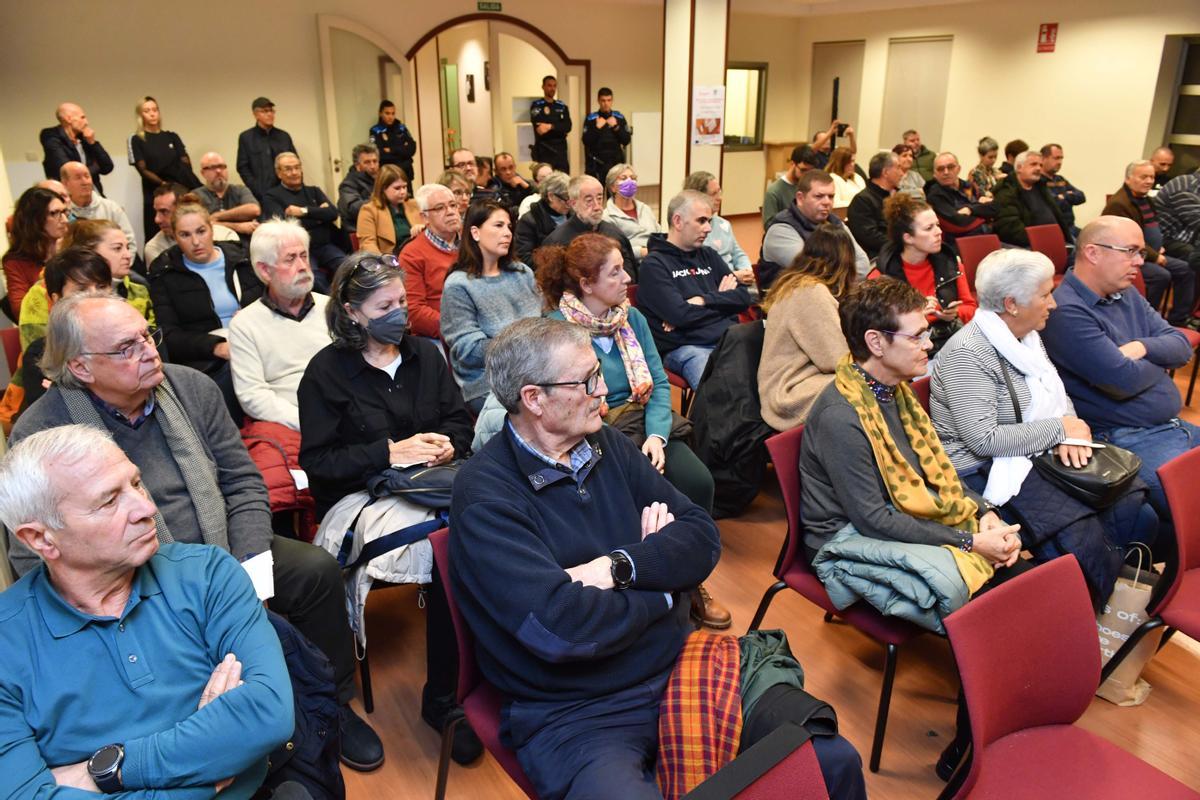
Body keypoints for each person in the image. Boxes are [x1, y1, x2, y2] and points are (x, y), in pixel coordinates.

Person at [451, 316, 866, 800]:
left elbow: (700, 537)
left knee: (829, 761)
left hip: (679, 660)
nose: (604, 389)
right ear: (534, 399)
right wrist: (667, 588)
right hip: (575, 708)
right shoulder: (486, 496)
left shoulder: (604, 445)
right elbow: (561, 629)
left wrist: (621, 568)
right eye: (587, 380)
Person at [11, 292, 383, 771]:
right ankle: (192, 736)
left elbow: (242, 480)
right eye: (127, 348)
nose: (149, 351)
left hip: (223, 543)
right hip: (124, 575)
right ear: (82, 368)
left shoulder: (189, 387)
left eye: (148, 335)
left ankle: (332, 703)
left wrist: (247, 568)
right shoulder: (41, 432)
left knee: (315, 570)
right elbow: (37, 559)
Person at [798, 277, 1027, 779]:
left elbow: (932, 474)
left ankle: (1005, 725)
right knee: (993, 608)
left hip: (883, 518)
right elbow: (873, 518)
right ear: (876, 343)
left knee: (1016, 579)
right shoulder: (843, 414)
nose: (930, 344)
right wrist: (972, 540)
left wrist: (980, 509)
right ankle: (968, 753)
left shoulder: (893, 392)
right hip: (845, 539)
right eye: (918, 336)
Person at [0, 424, 294, 800]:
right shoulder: (8, 643)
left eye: (135, 483)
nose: (147, 508)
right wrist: (202, 774)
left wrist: (107, 769)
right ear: (41, 539)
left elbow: (267, 715)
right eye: (109, 501)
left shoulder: (207, 573)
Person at [296, 252, 477, 764]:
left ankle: (493, 672)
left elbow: (458, 421)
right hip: (363, 493)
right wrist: (388, 453)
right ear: (353, 313)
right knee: (450, 548)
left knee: (493, 525)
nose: (401, 313)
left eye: (402, 300)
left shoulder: (424, 355)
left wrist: (448, 444)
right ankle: (443, 700)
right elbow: (320, 464)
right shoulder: (327, 372)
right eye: (385, 305)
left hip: (433, 481)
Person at [931, 248, 1158, 602]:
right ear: (1012, 304)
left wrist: (1071, 426)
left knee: (1133, 505)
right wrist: (1061, 430)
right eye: (1045, 294)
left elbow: (1056, 393)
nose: (1053, 303)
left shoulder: (1027, 337)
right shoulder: (968, 353)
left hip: (1034, 448)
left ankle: (1120, 591)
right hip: (982, 469)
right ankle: (1086, 613)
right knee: (1078, 537)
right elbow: (983, 438)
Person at [535, 232, 729, 628]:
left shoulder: (632, 318)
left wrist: (658, 437)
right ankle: (641, 581)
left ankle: (691, 581)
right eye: (616, 272)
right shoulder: (556, 329)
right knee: (629, 502)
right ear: (587, 284)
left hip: (645, 424)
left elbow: (657, 383)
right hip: (595, 431)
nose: (628, 279)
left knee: (697, 482)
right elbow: (566, 407)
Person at [1041, 216, 1199, 531]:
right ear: (1093, 253)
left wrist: (1140, 347)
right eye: (1130, 251)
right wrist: (1159, 358)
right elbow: (1120, 380)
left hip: (1172, 426)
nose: (1140, 261)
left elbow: (1182, 346)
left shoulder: (1124, 293)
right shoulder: (1067, 310)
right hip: (1127, 437)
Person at [148, 201, 262, 419]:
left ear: (212, 229)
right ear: (174, 237)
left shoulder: (243, 258)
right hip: (208, 356)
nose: (196, 242)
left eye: (201, 231)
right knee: (234, 375)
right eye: (185, 235)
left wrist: (254, 315)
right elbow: (169, 336)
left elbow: (270, 301)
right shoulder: (164, 273)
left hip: (253, 338)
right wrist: (217, 347)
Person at [636, 190, 752, 389]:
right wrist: (723, 300)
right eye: (701, 221)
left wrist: (703, 300)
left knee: (766, 376)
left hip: (727, 339)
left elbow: (742, 298)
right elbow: (680, 314)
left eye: (709, 221)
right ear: (678, 221)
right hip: (687, 348)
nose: (708, 228)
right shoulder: (654, 265)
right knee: (723, 392)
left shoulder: (708, 255)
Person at [440, 200, 543, 413]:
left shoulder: (522, 273)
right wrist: (521, 345)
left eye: (509, 227)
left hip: (537, 372)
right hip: (488, 382)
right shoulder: (459, 285)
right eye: (498, 226)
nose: (507, 233)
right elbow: (467, 351)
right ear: (475, 233)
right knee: (544, 412)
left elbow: (543, 323)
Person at [228, 219, 328, 430]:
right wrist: (310, 421)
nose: (302, 267)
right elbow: (252, 396)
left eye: (303, 256)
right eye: (290, 259)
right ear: (265, 271)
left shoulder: (331, 308)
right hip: (289, 422)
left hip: (347, 411)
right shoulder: (244, 324)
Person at [758, 223, 855, 431]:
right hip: (790, 393)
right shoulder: (810, 291)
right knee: (873, 385)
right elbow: (836, 358)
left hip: (792, 383)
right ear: (844, 262)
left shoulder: (796, 284)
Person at [877, 194, 976, 358]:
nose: (939, 232)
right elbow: (879, 329)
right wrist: (916, 316)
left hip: (951, 340)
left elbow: (971, 308)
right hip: (910, 352)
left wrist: (954, 313)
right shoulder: (882, 276)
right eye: (929, 228)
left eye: (937, 225)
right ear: (907, 238)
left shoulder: (951, 263)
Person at [16, 249, 114, 414]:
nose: (95, 296)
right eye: (81, 290)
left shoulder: (139, 338)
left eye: (102, 286)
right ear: (57, 300)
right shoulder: (41, 354)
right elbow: (48, 414)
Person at [1103, 160, 1195, 326]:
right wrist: (1155, 256)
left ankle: (1178, 321)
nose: (1149, 181)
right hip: (1129, 257)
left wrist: (1158, 247)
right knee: (1161, 276)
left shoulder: (1145, 199)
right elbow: (1126, 240)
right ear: (1128, 179)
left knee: (1186, 269)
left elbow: (1153, 226)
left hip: (1150, 252)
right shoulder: (1119, 204)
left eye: (1152, 177)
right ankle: (1144, 321)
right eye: (1143, 177)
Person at [761, 170, 870, 290]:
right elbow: (811, 273)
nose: (827, 202)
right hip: (788, 302)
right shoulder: (781, 230)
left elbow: (863, 263)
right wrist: (846, 276)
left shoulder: (835, 223)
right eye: (819, 196)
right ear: (800, 198)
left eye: (831, 196)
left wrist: (840, 279)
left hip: (833, 296)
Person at [262, 152, 347, 280]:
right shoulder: (272, 197)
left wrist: (303, 212)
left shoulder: (314, 191)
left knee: (347, 268)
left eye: (297, 167)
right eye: (288, 169)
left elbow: (333, 213)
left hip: (325, 245)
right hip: (299, 250)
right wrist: (319, 215)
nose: (294, 172)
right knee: (314, 278)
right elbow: (285, 227)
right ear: (279, 173)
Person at [127, 96, 200, 239]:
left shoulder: (171, 136)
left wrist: (178, 187)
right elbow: (143, 169)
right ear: (140, 115)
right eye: (147, 111)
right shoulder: (137, 139)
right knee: (158, 233)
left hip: (179, 190)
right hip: (155, 192)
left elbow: (185, 161)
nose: (152, 113)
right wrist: (164, 185)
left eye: (155, 110)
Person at [541, 175, 638, 278]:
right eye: (589, 201)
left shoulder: (615, 234)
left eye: (599, 198)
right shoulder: (557, 242)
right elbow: (552, 286)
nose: (597, 207)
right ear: (573, 204)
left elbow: (631, 276)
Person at [398, 183, 461, 341]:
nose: (451, 212)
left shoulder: (473, 243)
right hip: (437, 335)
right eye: (440, 208)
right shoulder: (411, 254)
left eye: (453, 205)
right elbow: (414, 311)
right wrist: (458, 327)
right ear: (424, 217)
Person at [3, 187, 68, 317]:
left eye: (65, 212)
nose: (65, 220)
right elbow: (20, 310)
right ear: (35, 219)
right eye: (55, 213)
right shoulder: (15, 261)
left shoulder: (73, 246)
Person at [144, 182, 240, 265]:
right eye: (184, 235)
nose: (157, 220)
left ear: (182, 209)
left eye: (164, 212)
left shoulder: (226, 237)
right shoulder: (154, 248)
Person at [683, 170, 754, 282]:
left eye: (719, 192)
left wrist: (747, 270)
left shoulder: (724, 224)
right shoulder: (690, 230)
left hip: (734, 280)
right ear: (698, 197)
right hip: (712, 283)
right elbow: (699, 270)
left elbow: (738, 253)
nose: (719, 198)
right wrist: (733, 276)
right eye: (713, 194)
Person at [992, 151, 1072, 248]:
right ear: (1019, 168)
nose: (1038, 168)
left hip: (1055, 242)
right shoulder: (1006, 193)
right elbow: (1010, 229)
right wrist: (1042, 241)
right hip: (1028, 247)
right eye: (1033, 164)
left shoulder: (1041, 188)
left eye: (1040, 165)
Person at [40, 102, 113, 195]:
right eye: (82, 117)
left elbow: (107, 167)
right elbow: (69, 171)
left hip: (94, 194)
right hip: (68, 197)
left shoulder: (85, 138)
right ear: (68, 119)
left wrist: (93, 143)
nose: (87, 122)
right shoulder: (51, 136)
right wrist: (95, 167)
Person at [61, 161, 136, 250]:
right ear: (65, 183)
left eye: (87, 176)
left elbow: (129, 242)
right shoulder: (63, 213)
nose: (85, 182)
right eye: (78, 178)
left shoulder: (111, 208)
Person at [925, 152, 996, 246]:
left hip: (986, 235)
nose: (946, 172)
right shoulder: (935, 195)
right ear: (935, 174)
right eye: (941, 169)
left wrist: (970, 209)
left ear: (958, 169)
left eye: (950, 167)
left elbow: (994, 208)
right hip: (960, 243)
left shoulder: (969, 186)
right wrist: (982, 209)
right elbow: (959, 222)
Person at [237, 97, 296, 202]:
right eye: (265, 111)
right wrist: (256, 188)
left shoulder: (284, 136)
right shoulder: (246, 137)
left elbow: (295, 162)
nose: (270, 114)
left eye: (271, 110)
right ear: (255, 115)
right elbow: (242, 167)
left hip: (287, 190)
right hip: (260, 193)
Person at [847, 150, 902, 259]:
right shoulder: (862, 200)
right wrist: (903, 244)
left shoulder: (896, 196)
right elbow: (870, 237)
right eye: (898, 168)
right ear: (886, 172)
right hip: (877, 258)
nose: (902, 173)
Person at [195, 151, 262, 240]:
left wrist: (217, 216)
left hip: (244, 244)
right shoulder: (196, 196)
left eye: (221, 167)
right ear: (202, 173)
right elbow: (200, 224)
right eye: (212, 167)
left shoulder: (240, 189)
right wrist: (238, 226)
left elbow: (254, 209)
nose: (218, 171)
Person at [601, 163, 660, 260]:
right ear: (613, 187)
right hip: (633, 263)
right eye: (623, 178)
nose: (630, 181)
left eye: (633, 178)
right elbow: (613, 250)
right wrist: (641, 252)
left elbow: (658, 232)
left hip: (656, 258)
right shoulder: (607, 217)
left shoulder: (645, 209)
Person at [358, 164, 420, 254]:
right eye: (397, 188)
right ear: (383, 188)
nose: (403, 192)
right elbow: (368, 244)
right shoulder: (369, 211)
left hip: (418, 256)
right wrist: (384, 263)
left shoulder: (415, 205)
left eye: (404, 187)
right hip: (390, 261)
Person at [514, 170, 571, 263]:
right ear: (551, 196)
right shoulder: (529, 221)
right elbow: (524, 258)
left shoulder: (573, 215)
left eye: (572, 199)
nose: (570, 205)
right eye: (566, 199)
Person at [1155, 166, 1200, 277]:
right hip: (1164, 239)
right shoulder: (1185, 187)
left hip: (1184, 237)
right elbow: (1197, 221)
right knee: (1196, 258)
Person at [763, 144, 821, 229]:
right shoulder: (774, 191)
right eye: (803, 170)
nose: (806, 175)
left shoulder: (809, 186)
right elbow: (769, 225)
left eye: (810, 172)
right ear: (792, 164)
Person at [582, 87, 631, 182]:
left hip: (615, 162)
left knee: (614, 193)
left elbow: (626, 140)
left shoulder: (619, 117)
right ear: (598, 101)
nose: (606, 104)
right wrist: (597, 128)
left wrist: (616, 127)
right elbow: (586, 141)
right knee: (596, 192)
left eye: (609, 100)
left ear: (612, 101)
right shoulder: (591, 118)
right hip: (596, 163)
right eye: (603, 100)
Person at [1038, 143, 1085, 238]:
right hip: (1054, 230)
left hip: (1070, 226)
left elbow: (1081, 196)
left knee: (1092, 238)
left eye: (1061, 158)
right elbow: (1053, 203)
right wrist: (1066, 195)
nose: (1059, 162)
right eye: (1056, 158)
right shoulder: (1038, 181)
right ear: (1043, 159)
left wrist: (1063, 196)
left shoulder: (1060, 179)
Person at [530, 75, 571, 173]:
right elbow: (540, 129)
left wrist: (550, 126)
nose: (552, 88)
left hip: (560, 152)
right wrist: (559, 128)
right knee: (545, 182)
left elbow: (568, 126)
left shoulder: (562, 106)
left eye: (554, 86)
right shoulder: (537, 106)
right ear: (543, 87)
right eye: (549, 85)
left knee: (563, 181)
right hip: (544, 152)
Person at [369, 99, 417, 180]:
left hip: (406, 172)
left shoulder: (401, 128)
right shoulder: (375, 131)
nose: (390, 117)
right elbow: (379, 153)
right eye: (387, 113)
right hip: (388, 174)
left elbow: (412, 149)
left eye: (393, 113)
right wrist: (402, 149)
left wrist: (391, 150)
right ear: (380, 113)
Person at [337, 143, 380, 233]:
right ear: (357, 165)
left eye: (375, 161)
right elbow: (355, 208)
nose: (372, 166)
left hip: (379, 225)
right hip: (360, 231)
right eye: (367, 162)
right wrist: (381, 200)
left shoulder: (380, 179)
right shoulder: (348, 185)